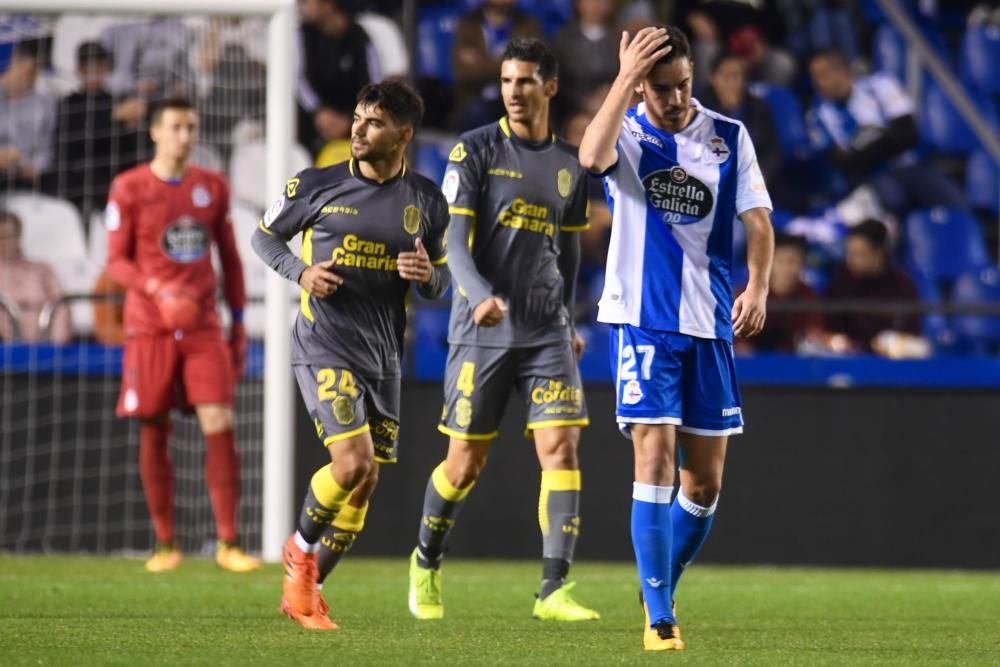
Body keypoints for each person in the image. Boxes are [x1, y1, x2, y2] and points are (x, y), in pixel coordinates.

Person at [578, 25, 774, 650]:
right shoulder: (627, 133)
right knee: (654, 458)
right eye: (660, 88)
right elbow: (588, 157)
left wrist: (758, 287)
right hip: (642, 320)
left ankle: (657, 580)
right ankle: (660, 616)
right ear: (641, 86)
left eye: (683, 84)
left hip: (710, 321)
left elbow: (760, 220)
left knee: (705, 484)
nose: (674, 98)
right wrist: (622, 82)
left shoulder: (729, 137)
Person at [407, 38, 599, 624]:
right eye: (507, 81)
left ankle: (552, 589)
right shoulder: (474, 150)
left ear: (550, 87)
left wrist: (567, 320)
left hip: (545, 330)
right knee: (464, 464)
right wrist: (478, 293)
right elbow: (454, 246)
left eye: (525, 81)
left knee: (561, 446)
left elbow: (567, 253)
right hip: (481, 331)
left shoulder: (570, 165)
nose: (513, 91)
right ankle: (425, 561)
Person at [252, 79, 449, 630]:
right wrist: (302, 272)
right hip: (324, 341)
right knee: (352, 462)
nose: (358, 129)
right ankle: (298, 556)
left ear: (403, 135)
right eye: (358, 118)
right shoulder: (316, 184)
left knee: (365, 482)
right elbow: (264, 238)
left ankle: (308, 591)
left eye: (375, 122)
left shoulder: (428, 201)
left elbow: (441, 283)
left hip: (382, 355)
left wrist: (429, 276)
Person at [105, 97, 258, 574]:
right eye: (176, 127)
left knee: (219, 419)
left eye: (191, 127)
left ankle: (229, 543)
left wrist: (237, 323)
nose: (185, 136)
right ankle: (165, 543)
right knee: (153, 424)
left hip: (202, 327)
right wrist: (156, 288)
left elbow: (230, 260)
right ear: (155, 132)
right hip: (149, 327)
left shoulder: (211, 187)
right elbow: (116, 261)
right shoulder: (128, 187)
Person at [807, 50, 967, 218]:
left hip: (914, 165)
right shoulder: (818, 116)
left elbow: (907, 133)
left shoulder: (881, 86)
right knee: (892, 202)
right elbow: (843, 163)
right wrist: (885, 139)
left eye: (823, 74)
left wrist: (863, 151)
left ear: (843, 72)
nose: (818, 82)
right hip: (873, 177)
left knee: (958, 207)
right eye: (814, 76)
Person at [53, 41, 142, 217]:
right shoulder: (70, 103)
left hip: (117, 172)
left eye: (100, 68)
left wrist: (131, 126)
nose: (95, 74)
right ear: (80, 70)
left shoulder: (116, 100)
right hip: (83, 179)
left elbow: (129, 148)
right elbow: (72, 147)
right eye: (89, 69)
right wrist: (113, 117)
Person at [297, 0, 381, 154]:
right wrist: (318, 112)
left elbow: (374, 84)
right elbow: (298, 80)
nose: (300, 5)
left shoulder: (359, 36)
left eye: (306, 1)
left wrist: (352, 119)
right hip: (313, 122)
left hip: (356, 121)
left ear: (329, 5)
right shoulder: (302, 34)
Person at [825, 219, 921, 352]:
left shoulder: (903, 286)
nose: (850, 260)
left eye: (859, 254)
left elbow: (912, 337)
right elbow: (828, 332)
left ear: (879, 253)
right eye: (849, 252)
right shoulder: (840, 283)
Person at [451, 0, 541, 130]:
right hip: (474, 99)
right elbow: (463, 73)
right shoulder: (468, 24)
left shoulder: (527, 25)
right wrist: (508, 61)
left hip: (517, 98)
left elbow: (532, 68)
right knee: (476, 114)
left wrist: (482, 63)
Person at [734, 233, 827, 354]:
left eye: (793, 261)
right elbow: (738, 340)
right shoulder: (748, 295)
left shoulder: (809, 297)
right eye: (781, 261)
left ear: (802, 264)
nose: (787, 268)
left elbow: (814, 334)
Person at [0, 209, 72, 343]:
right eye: (1, 236)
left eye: (9, 235)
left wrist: (55, 347)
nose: (5, 242)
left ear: (19, 236)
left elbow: (61, 307)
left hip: (42, 349)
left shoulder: (42, 270)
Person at [0, 40, 56, 190]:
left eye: (38, 70)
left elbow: (47, 147)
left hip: (27, 179)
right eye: (30, 70)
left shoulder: (44, 104)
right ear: (15, 61)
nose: (34, 76)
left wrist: (35, 166)